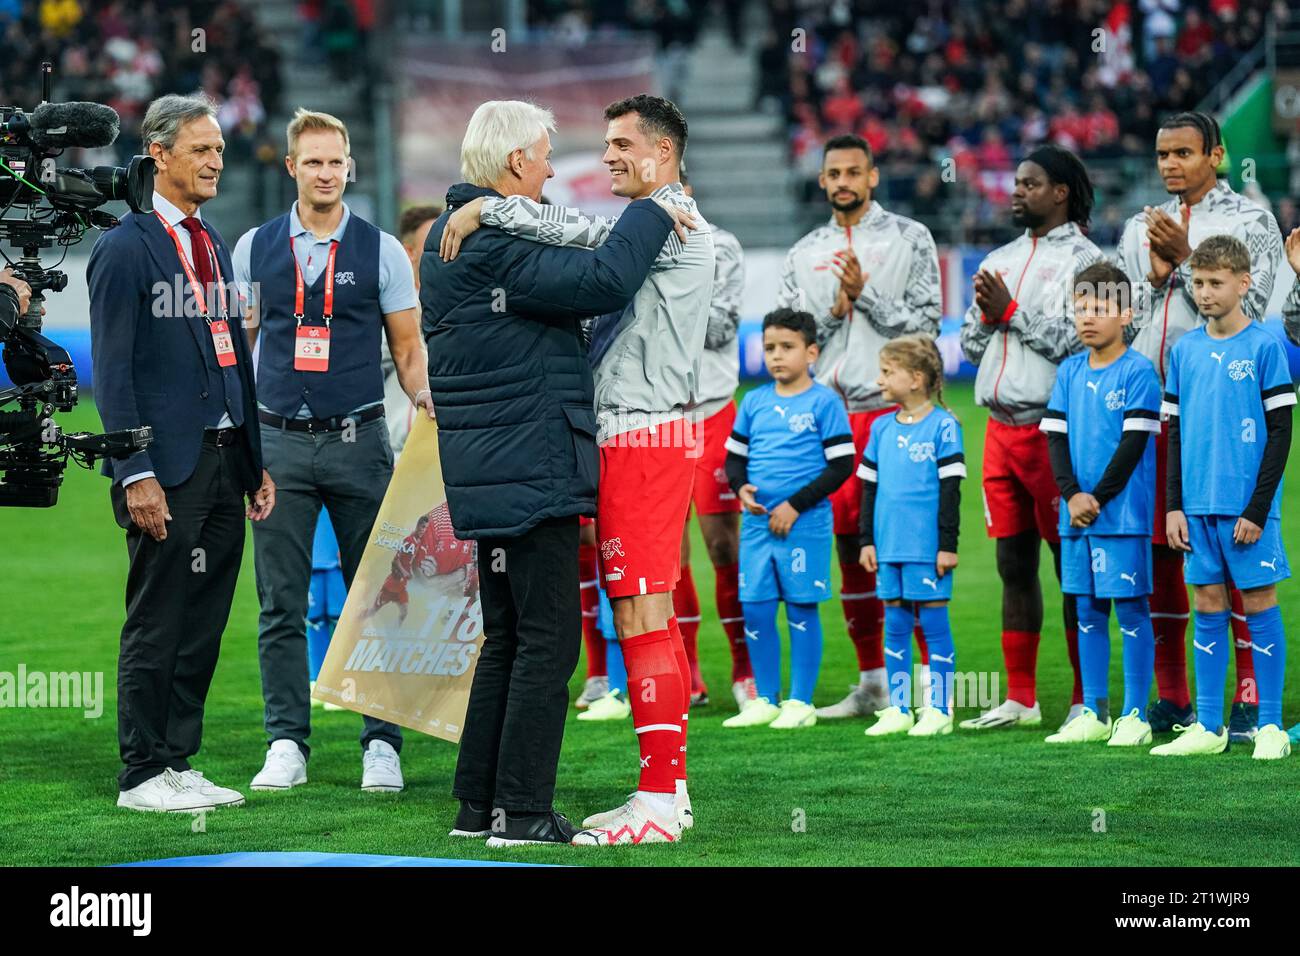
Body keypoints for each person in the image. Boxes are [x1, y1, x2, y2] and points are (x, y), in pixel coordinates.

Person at [440, 95, 714, 847]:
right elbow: (588, 237)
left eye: (622, 144)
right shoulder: (650, 220)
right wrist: (492, 212)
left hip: (642, 433)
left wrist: (489, 212)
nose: (606, 157)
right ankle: (669, 788)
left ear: (661, 152)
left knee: (638, 614)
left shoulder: (669, 217)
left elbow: (591, 252)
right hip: (630, 434)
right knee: (636, 613)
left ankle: (658, 797)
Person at [232, 108, 433, 795]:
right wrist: (238, 440)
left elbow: (408, 348)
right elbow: (242, 351)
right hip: (277, 445)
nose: (325, 172)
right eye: (312, 161)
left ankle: (382, 742)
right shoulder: (253, 247)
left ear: (350, 166)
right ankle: (286, 741)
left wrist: (427, 397)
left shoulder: (379, 249)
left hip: (360, 444)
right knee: (279, 603)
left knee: (378, 599)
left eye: (335, 161)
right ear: (291, 167)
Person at [88, 93, 275, 812]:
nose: (216, 162)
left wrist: (253, 462)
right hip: (166, 466)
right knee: (158, 616)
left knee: (202, 620)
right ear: (158, 154)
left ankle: (178, 759)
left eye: (220, 150)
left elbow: (234, 361)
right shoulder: (124, 245)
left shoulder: (211, 240)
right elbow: (115, 369)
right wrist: (133, 471)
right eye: (201, 149)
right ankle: (141, 773)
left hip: (224, 461)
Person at [1114, 111, 1285, 741]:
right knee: (1167, 555)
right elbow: (1120, 326)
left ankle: (1249, 698)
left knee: (1238, 557)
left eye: (1184, 152)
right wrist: (1154, 282)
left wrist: (1185, 264)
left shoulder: (1251, 222)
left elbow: (1257, 307)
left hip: (1222, 413)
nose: (1170, 165)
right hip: (1151, 409)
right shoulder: (1137, 227)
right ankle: (1176, 698)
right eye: (1162, 154)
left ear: (1216, 155)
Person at [775, 133, 942, 722]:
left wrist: (865, 297)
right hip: (830, 419)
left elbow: (926, 328)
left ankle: (925, 683)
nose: (843, 181)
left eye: (854, 171)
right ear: (821, 181)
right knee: (850, 550)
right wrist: (834, 310)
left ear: (873, 176)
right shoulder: (804, 250)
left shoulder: (909, 238)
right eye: (833, 173)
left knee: (909, 547)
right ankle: (872, 680)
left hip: (896, 414)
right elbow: (791, 336)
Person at [958, 144, 1100, 732]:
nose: (1016, 191)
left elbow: (1082, 343)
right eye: (1016, 183)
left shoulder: (1089, 261)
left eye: (1030, 183)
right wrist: (993, 317)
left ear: (1061, 191)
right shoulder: (1000, 257)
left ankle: (1085, 701)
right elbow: (968, 348)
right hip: (998, 429)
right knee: (1011, 563)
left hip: (1054, 431)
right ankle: (1021, 698)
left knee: (1070, 566)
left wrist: (1011, 310)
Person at [1154, 235, 1293, 759]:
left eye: (1216, 283)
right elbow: (1175, 435)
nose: (1206, 292)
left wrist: (1258, 510)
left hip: (1247, 510)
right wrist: (1173, 506)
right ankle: (1209, 727)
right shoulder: (1183, 350)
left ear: (1243, 282)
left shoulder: (1264, 347)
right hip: (1196, 509)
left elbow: (1281, 433)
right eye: (1198, 282)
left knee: (1258, 603)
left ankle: (1271, 727)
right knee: (1207, 605)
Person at [1039, 262, 1160, 746]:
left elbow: (1132, 446)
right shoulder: (1068, 372)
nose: (1087, 317)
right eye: (1081, 308)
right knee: (1086, 610)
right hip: (1076, 518)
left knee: (1130, 610)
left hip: (1121, 515)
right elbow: (1056, 441)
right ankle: (1092, 710)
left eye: (1100, 308)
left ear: (1127, 313)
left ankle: (1134, 714)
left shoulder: (1139, 372)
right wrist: (1071, 495)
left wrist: (1096, 497)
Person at [720, 309, 853, 729]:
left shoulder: (824, 402)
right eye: (770, 348)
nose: (777, 356)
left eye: (787, 347)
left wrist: (795, 505)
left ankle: (800, 702)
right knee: (756, 610)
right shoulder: (754, 401)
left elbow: (842, 464)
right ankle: (765, 699)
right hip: (758, 524)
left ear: (811, 352)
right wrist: (740, 488)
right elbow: (734, 459)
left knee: (800, 607)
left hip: (804, 524)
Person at [859, 336, 965, 738]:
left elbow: (952, 492)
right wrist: (867, 540)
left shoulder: (944, 426)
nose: (879, 379)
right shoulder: (880, 427)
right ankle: (900, 708)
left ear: (916, 378)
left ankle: (939, 709)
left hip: (926, 548)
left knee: (935, 624)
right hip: (889, 546)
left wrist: (947, 545)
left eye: (888, 372)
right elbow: (869, 489)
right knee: (896, 624)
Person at [677, 170, 754, 713]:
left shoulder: (720, 245)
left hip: (710, 416)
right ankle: (688, 673)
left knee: (724, 547)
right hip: (655, 419)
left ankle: (745, 671)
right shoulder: (624, 243)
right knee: (664, 559)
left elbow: (722, 329)